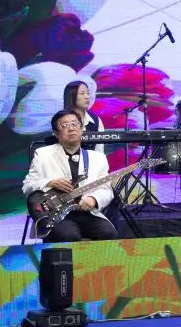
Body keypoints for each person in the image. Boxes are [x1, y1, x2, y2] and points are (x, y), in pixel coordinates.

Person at [22, 110, 118, 242]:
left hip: (87, 212)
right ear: (56, 133)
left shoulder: (98, 158)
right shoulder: (43, 154)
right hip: (57, 214)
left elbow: (106, 188)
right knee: (69, 235)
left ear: (82, 129)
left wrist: (94, 199)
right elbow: (28, 186)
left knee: (108, 233)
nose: (71, 128)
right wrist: (50, 182)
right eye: (65, 125)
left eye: (74, 124)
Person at [61, 80, 105, 152]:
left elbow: (99, 150)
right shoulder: (61, 119)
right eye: (82, 93)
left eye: (88, 93)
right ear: (71, 96)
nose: (87, 97)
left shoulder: (95, 120)